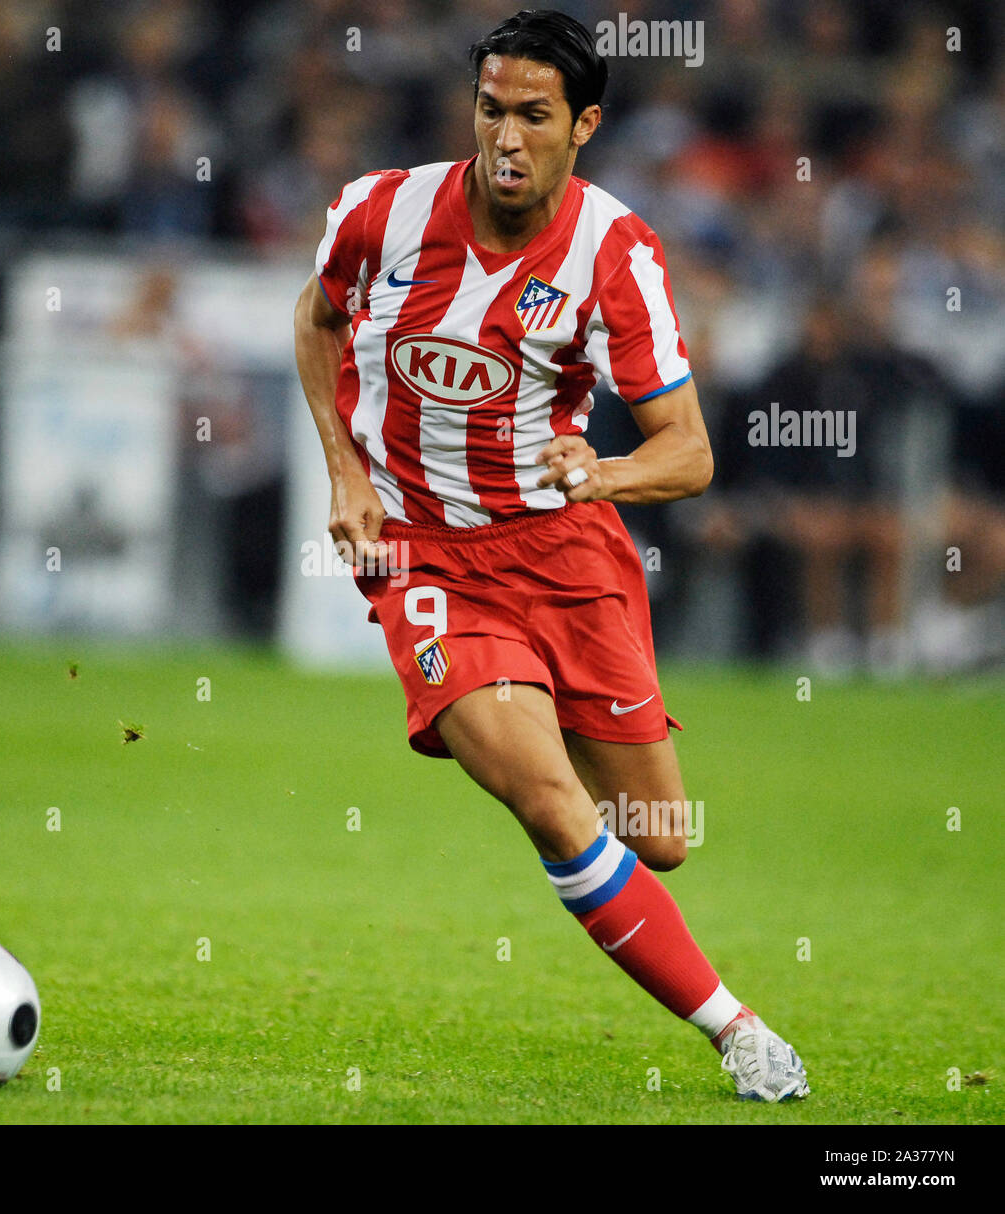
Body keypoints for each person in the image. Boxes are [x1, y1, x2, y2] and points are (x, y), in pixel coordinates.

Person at [293, 10, 808, 1102]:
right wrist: (345, 472)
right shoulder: (380, 211)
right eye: (490, 109)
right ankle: (738, 1029)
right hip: (422, 552)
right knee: (547, 801)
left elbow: (690, 453)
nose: (506, 138)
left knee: (657, 833)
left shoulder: (613, 253)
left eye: (534, 115)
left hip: (565, 549)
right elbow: (316, 317)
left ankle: (542, 731)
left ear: (584, 126)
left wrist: (604, 471)